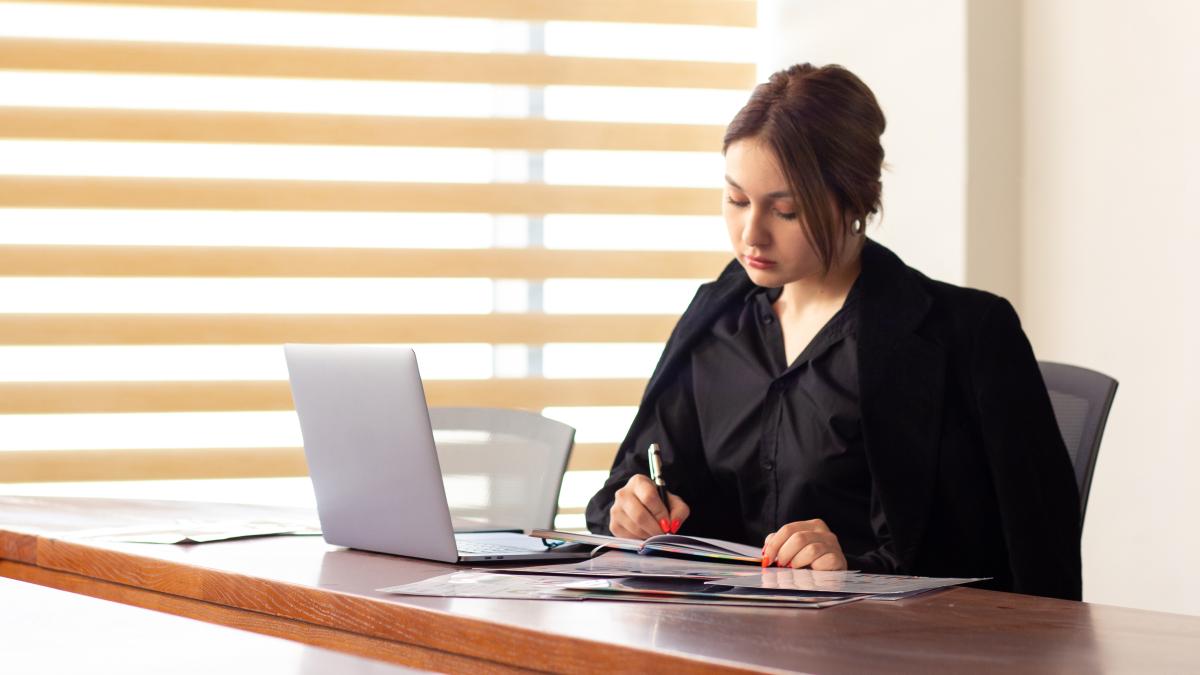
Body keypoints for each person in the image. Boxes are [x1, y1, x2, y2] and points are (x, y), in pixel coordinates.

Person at [584, 63, 1082, 601]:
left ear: (855, 201)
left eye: (787, 210)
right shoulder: (716, 319)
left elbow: (1024, 561)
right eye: (736, 200)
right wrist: (633, 507)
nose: (752, 233)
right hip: (718, 636)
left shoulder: (968, 333)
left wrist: (851, 564)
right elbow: (643, 474)